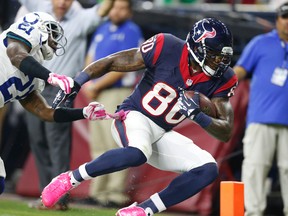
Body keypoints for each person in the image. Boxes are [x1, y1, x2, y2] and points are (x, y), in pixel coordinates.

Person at [42, 17, 238, 215]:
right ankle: (70, 179)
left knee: (208, 168)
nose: (219, 62)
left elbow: (226, 131)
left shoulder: (225, 78)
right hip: (134, 115)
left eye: (223, 57)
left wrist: (198, 116)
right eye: (213, 55)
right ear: (196, 48)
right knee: (137, 152)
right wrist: (78, 82)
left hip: (161, 133)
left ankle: (144, 210)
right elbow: (113, 62)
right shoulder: (167, 46)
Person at [0, 11, 113, 198]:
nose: (55, 40)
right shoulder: (24, 36)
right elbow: (15, 54)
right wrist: (51, 77)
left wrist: (83, 113)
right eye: (52, 32)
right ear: (39, 26)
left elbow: (45, 112)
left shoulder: (34, 78)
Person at [82, 0, 143, 207]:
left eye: (123, 7)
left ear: (130, 11)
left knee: (116, 143)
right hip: (98, 92)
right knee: (98, 145)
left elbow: (125, 65)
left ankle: (115, 195)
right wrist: (88, 82)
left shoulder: (132, 31)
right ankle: (97, 192)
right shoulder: (102, 28)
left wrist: (96, 86)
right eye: (115, 6)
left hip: (118, 92)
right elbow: (90, 58)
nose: (117, 11)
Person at [233, 2, 288, 216]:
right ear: (277, 20)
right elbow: (240, 70)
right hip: (260, 117)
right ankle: (253, 213)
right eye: (285, 17)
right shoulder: (260, 43)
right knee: (255, 167)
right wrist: (219, 79)